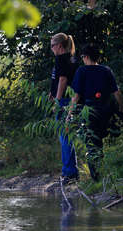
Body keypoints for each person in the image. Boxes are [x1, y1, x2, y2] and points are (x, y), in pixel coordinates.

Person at [70, 44, 123, 181]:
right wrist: (121, 109)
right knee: (104, 141)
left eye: (82, 57)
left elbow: (76, 96)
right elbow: (117, 93)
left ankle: (97, 177)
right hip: (106, 110)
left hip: (89, 111)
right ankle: (108, 172)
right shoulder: (106, 70)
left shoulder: (82, 71)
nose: (82, 59)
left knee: (93, 145)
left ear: (86, 57)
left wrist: (69, 114)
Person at [49, 33, 79, 184]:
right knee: (66, 136)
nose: (51, 49)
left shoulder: (62, 59)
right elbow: (57, 79)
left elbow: (63, 80)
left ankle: (69, 173)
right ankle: (70, 171)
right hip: (69, 99)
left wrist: (57, 100)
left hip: (65, 101)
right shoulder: (72, 58)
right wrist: (51, 93)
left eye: (52, 46)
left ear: (59, 46)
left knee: (65, 137)